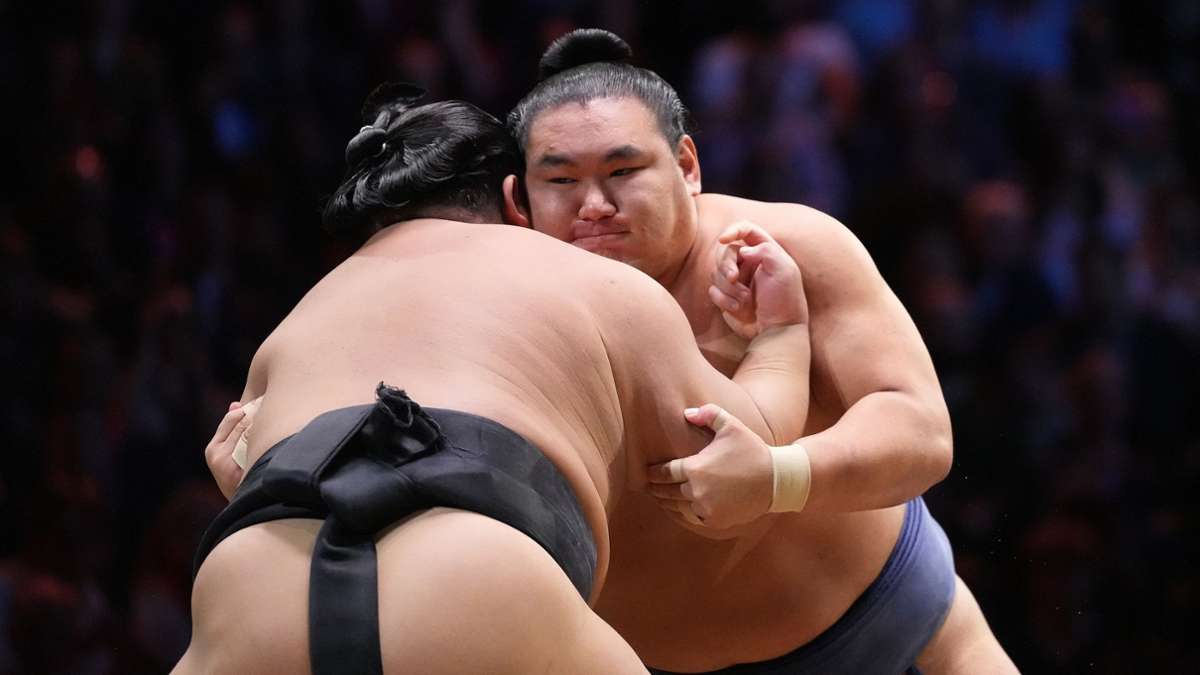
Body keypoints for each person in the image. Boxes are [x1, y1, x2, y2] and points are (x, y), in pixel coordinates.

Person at [176, 83, 812, 675]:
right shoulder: (591, 278)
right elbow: (743, 452)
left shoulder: (295, 318)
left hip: (249, 584)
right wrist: (781, 334)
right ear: (515, 200)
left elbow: (239, 459)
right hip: (473, 572)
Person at [501, 29, 1017, 674]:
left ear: (686, 166)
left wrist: (779, 477)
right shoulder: (508, 311)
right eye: (561, 180)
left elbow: (921, 434)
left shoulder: (785, 249)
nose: (596, 206)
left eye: (623, 172)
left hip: (894, 632)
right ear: (519, 201)